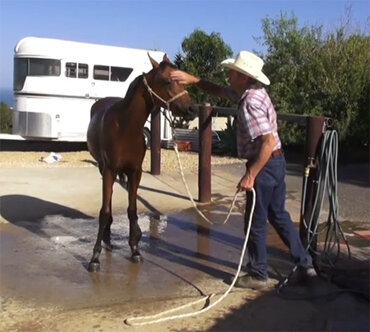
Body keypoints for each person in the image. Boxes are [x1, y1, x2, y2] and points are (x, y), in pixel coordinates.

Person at [170, 51, 317, 290]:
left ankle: (258, 274)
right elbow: (219, 91)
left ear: (243, 77)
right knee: (278, 215)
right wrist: (194, 80)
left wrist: (251, 175)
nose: (229, 75)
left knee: (255, 221)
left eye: (233, 72)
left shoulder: (249, 102)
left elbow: (267, 142)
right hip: (276, 162)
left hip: (265, 163)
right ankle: (305, 264)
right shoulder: (255, 93)